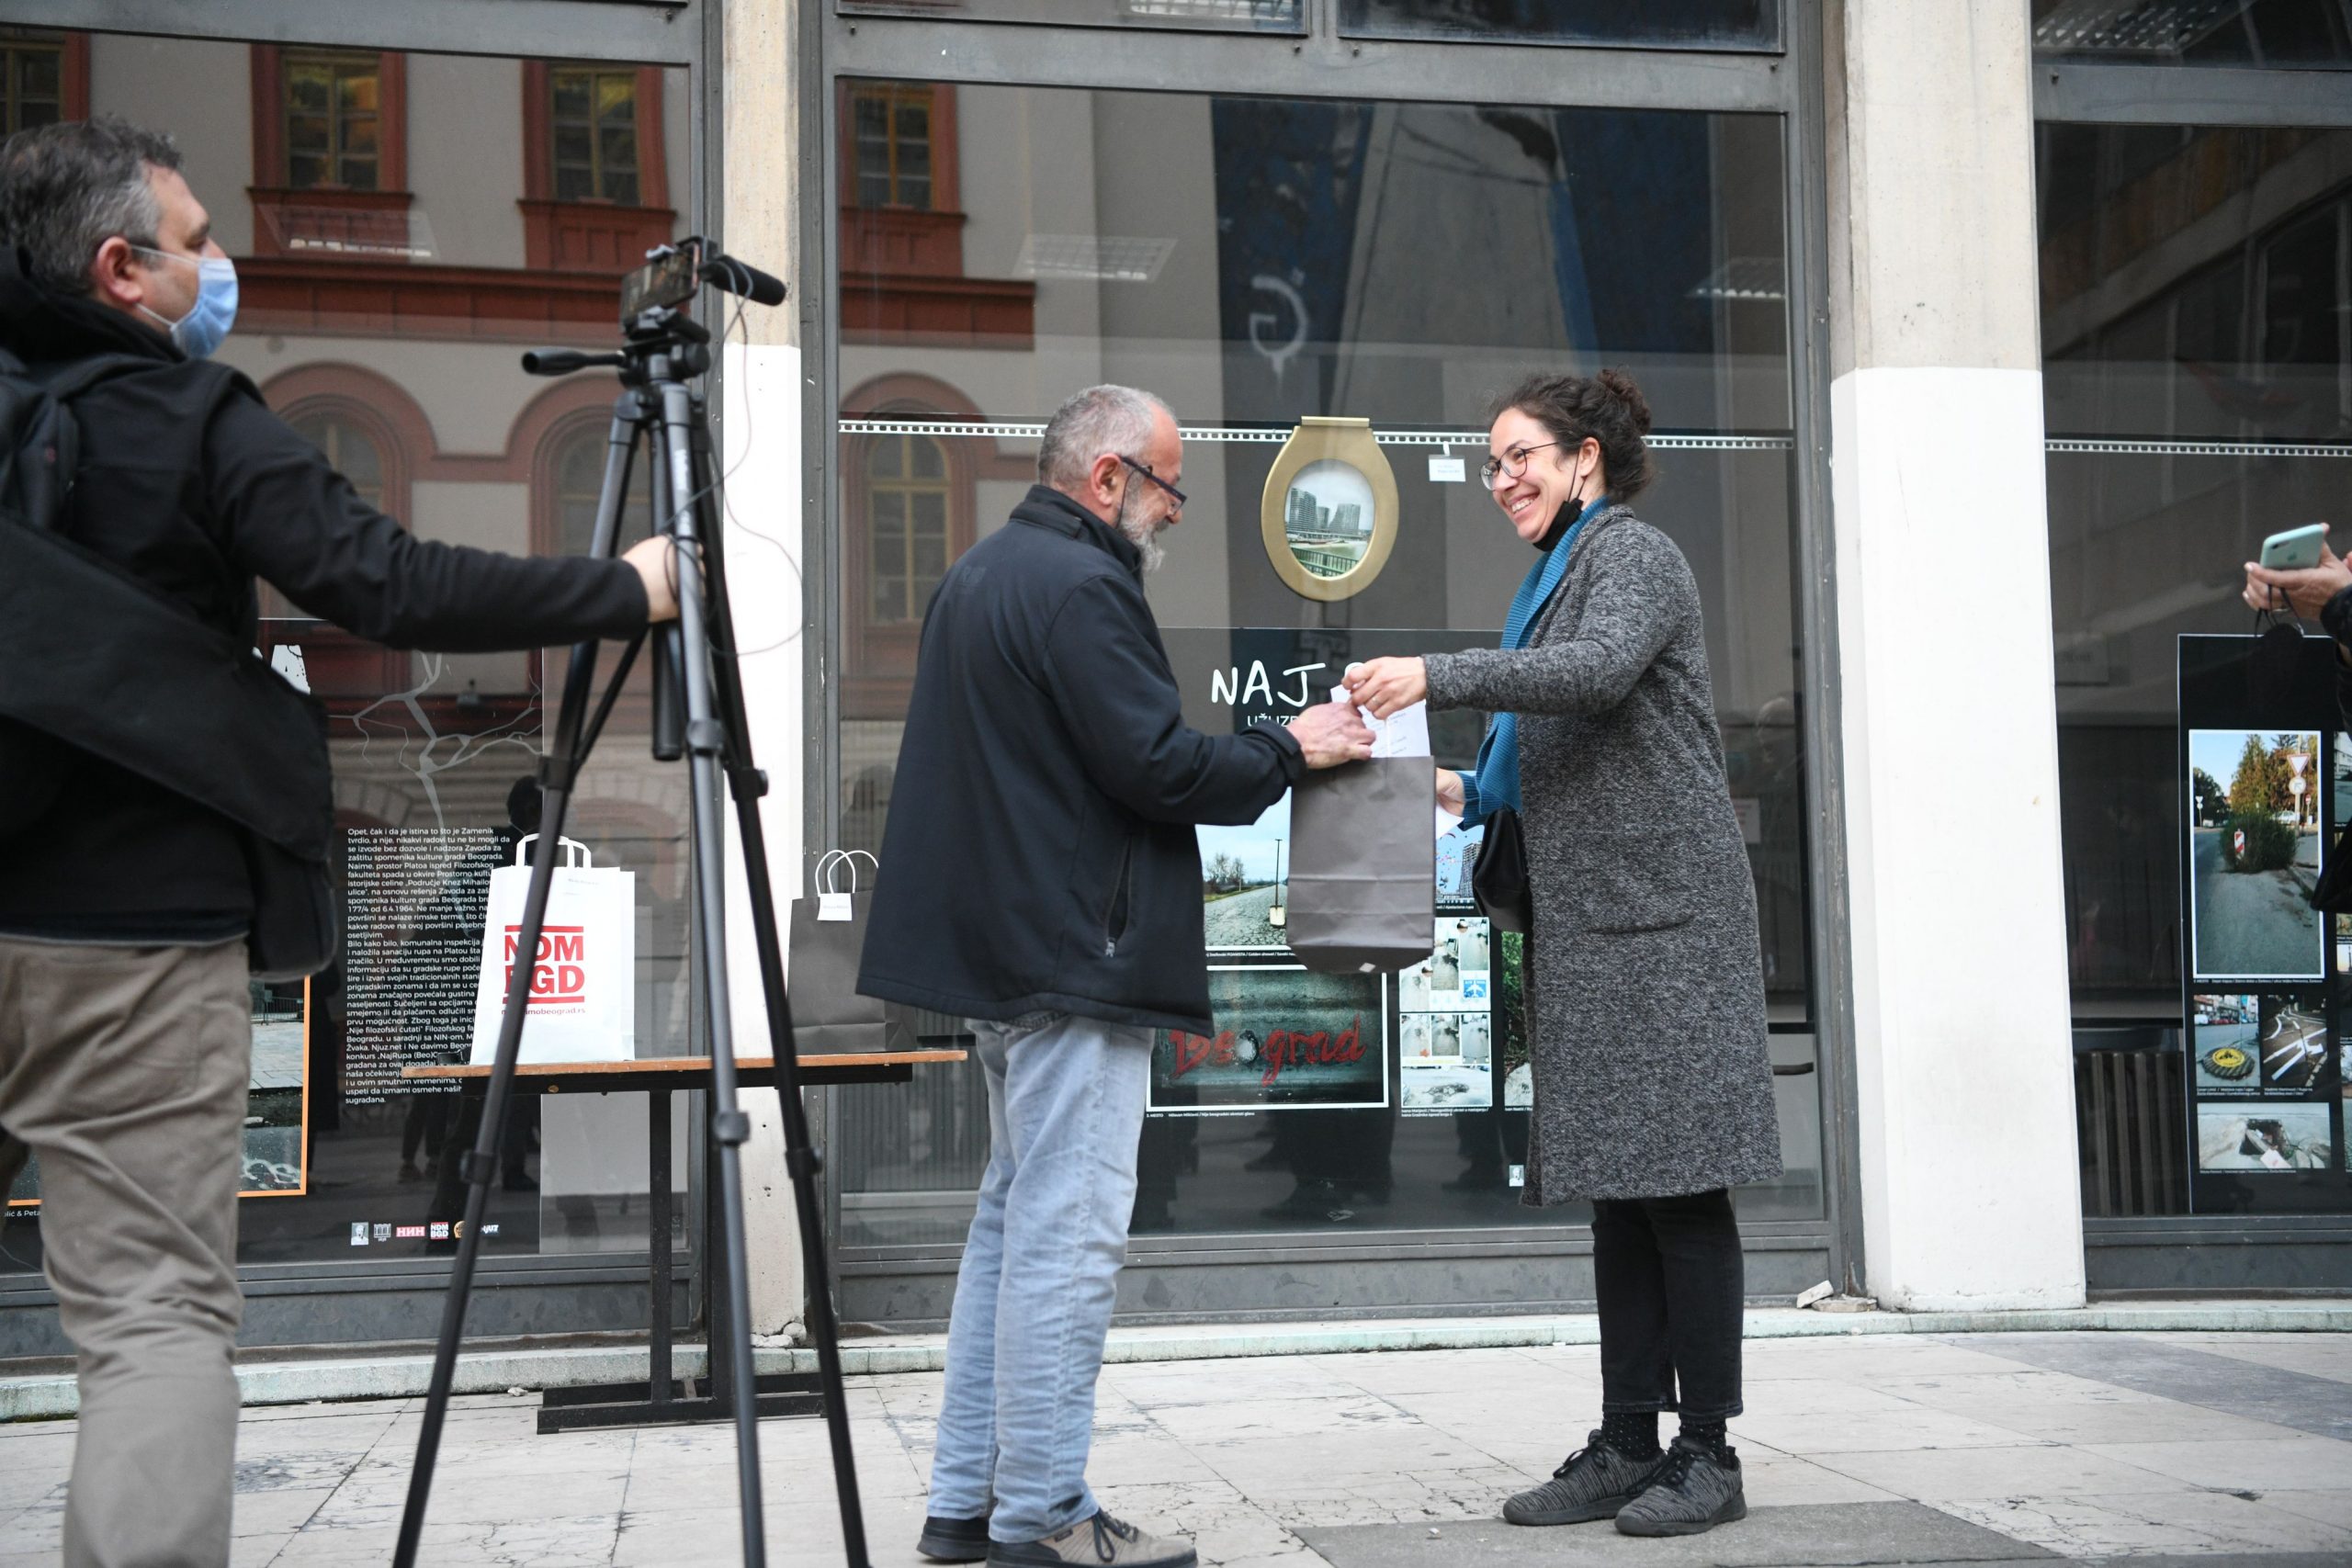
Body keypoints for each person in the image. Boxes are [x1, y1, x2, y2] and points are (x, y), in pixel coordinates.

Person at [0, 117, 678, 1568]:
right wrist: (618, 589)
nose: (219, 263)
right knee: (152, 1313)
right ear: (121, 270)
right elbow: (387, 580)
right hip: (130, 939)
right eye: (196, 243)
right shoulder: (190, 418)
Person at [859, 384, 1372, 1568]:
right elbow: (1158, 768)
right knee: (1066, 1239)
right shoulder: (1083, 586)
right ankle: (1044, 1514)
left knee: (1010, 1227)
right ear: (1107, 478)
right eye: (1169, 485)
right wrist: (1290, 746)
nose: (1176, 509)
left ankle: (966, 1503)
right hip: (1074, 962)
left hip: (1011, 961)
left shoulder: (980, 575)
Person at [1346, 368, 1781, 1539]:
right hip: (1596, 924)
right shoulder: (1553, 576)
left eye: (1520, 457)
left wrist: (1434, 674)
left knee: (1680, 1188)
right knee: (1619, 1197)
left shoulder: (1631, 553)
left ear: (1586, 457)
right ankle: (1627, 1441)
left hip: (1666, 925)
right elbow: (1553, 745)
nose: (1501, 480)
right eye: (1490, 464)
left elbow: (1591, 674)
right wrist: (1448, 785)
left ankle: (1708, 1455)